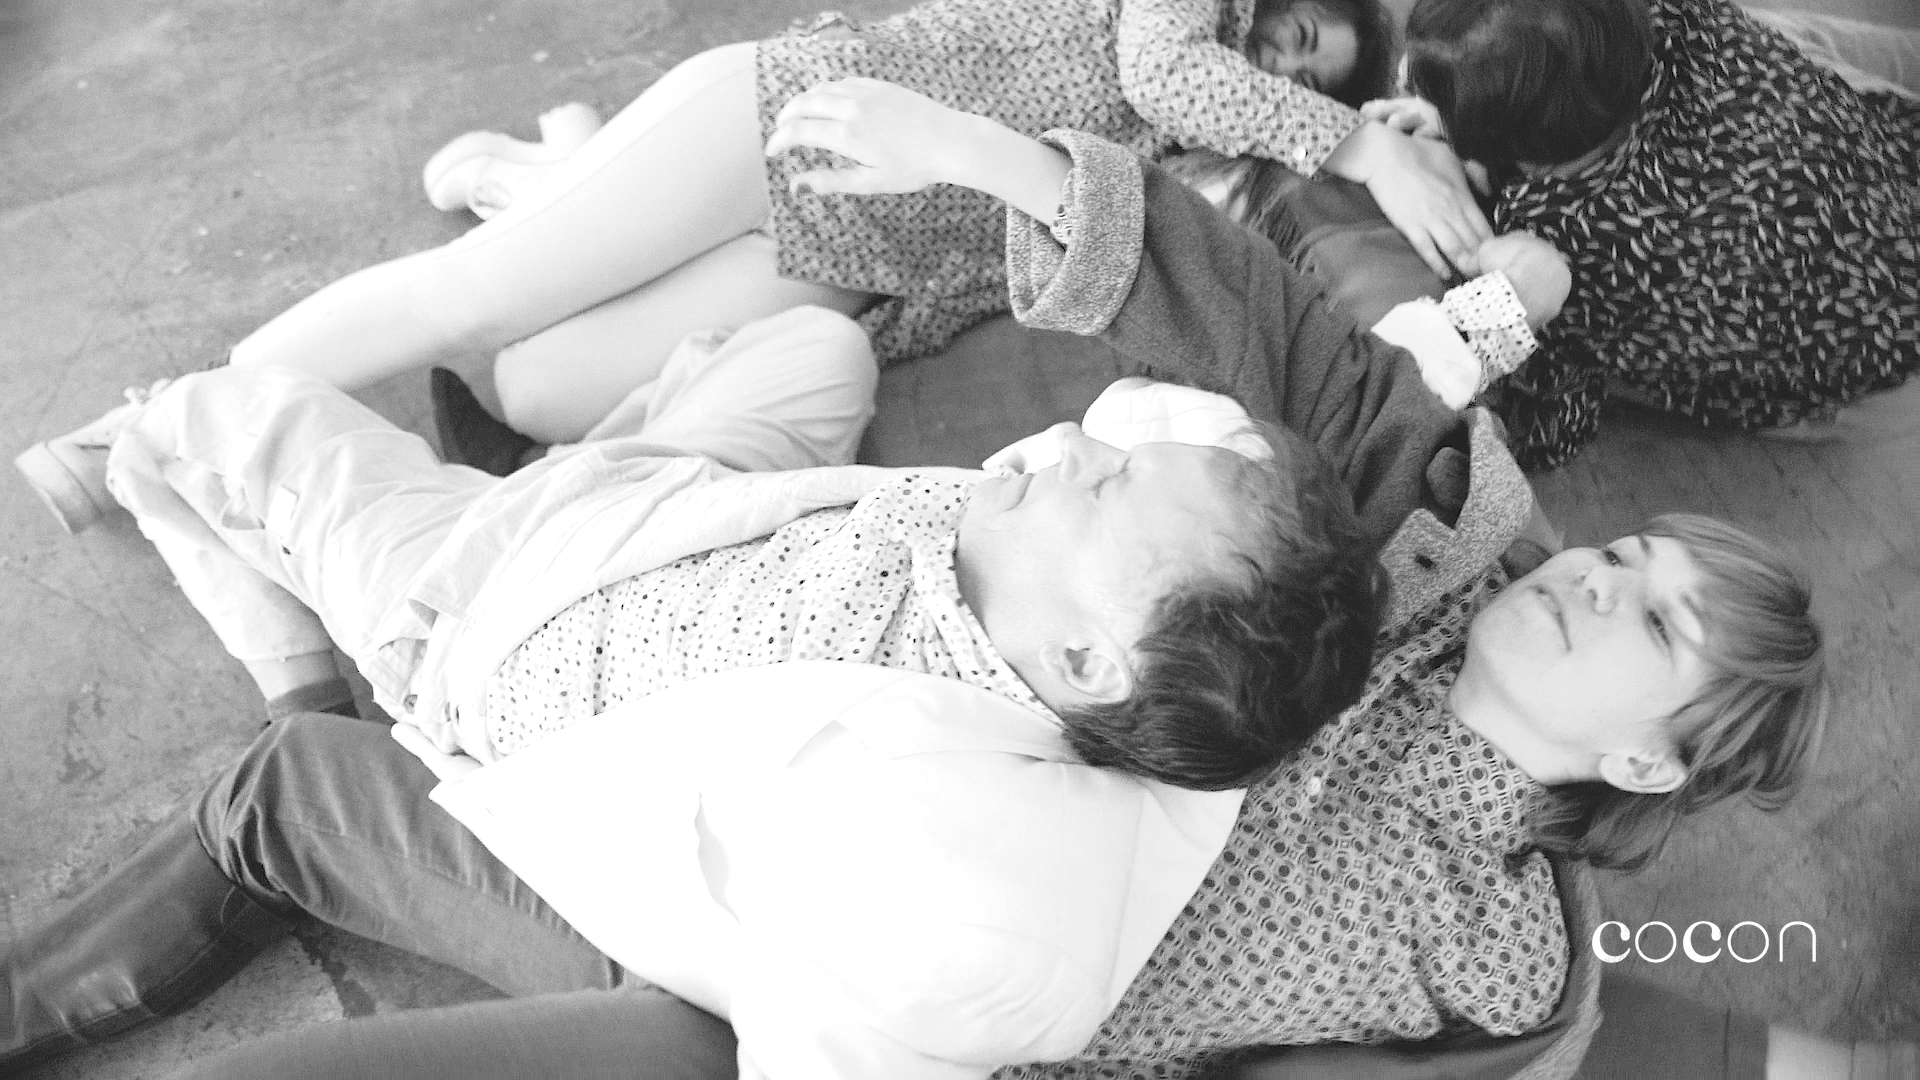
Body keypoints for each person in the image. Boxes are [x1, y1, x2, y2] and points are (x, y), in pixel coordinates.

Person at [5, 94, 1827, 1079]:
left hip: (806, 997)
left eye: (1658, 621)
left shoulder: (1509, 952)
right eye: (1630, 553)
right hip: (820, 727)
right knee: (727, 427)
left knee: (297, 801)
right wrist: (994, 160)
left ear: (1653, 762)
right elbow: (1299, 333)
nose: (1600, 578)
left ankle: (350, 702)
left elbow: (1688, 1033)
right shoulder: (1421, 549)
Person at [191, 0, 1489, 445]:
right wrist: (1359, 141)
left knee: (533, 391)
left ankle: (561, 167)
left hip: (851, 264)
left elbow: (1205, 239)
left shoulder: (1222, 150)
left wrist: (1395, 137)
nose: (1275, 59)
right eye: (1290, 28)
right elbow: (1167, 72)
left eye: (1306, 71)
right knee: (467, 302)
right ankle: (166, 422)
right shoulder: (1174, 29)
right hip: (796, 122)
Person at [1363, 0, 1919, 468]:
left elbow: (1554, 421)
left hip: (1842, 362)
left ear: (1498, 143)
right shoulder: (1680, 18)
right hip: (1883, 193)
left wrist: (1502, 288)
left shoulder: (1569, 240)